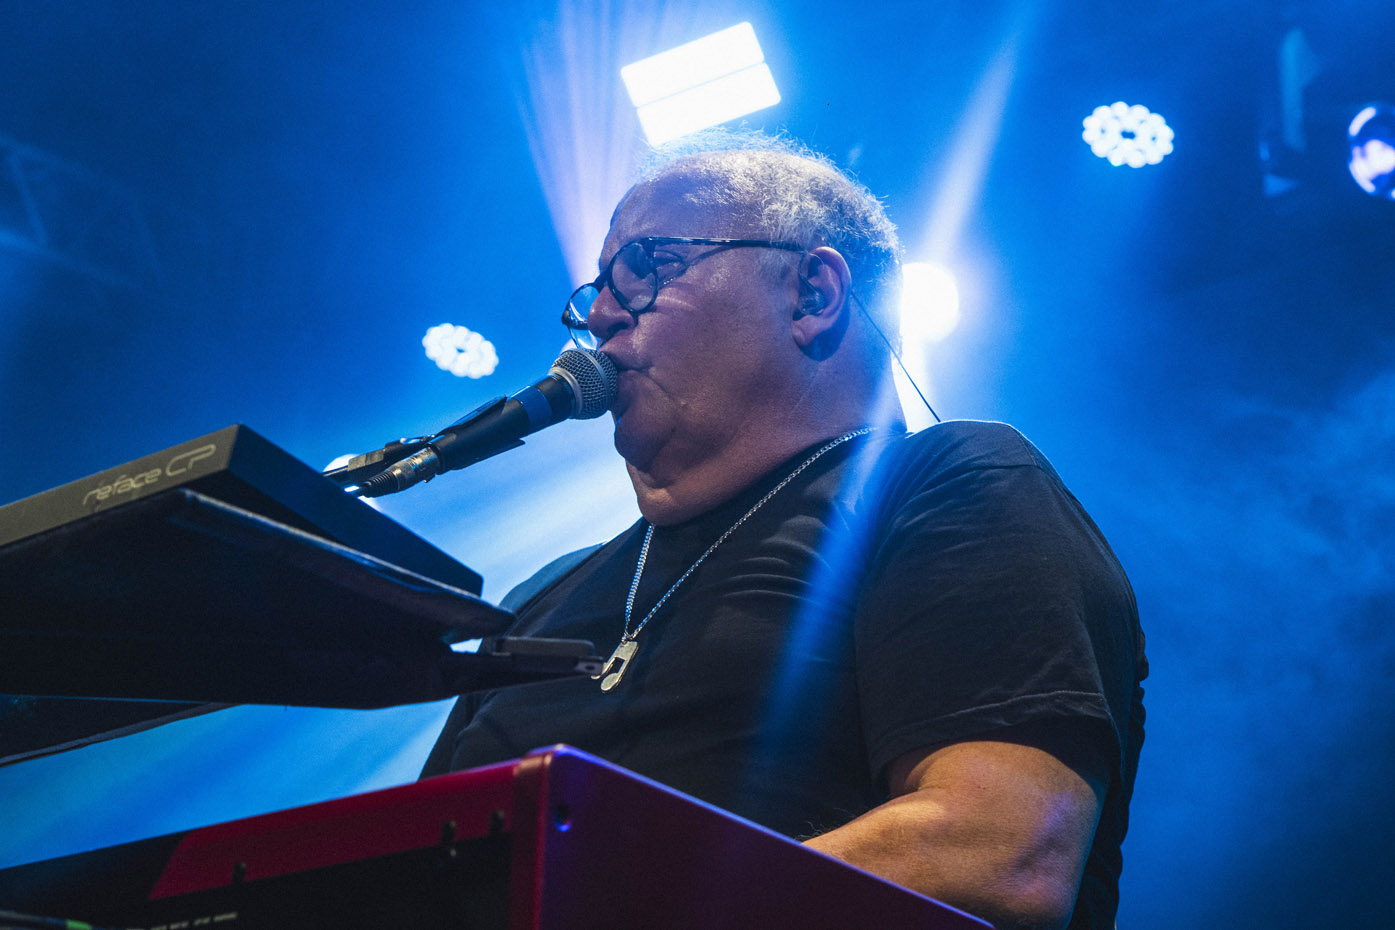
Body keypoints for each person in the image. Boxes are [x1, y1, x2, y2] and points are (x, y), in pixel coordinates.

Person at [423, 131, 1146, 930]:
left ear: (812, 296)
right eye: (595, 288)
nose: (598, 316)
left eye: (647, 266)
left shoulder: (950, 483)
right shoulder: (546, 593)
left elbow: (998, 854)